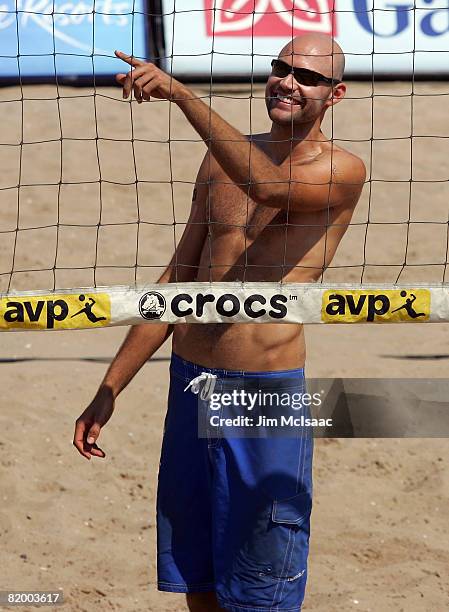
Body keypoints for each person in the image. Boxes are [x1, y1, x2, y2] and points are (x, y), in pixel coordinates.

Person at [73, 33, 366, 612]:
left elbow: (270, 186)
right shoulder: (219, 161)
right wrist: (109, 389)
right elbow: (177, 282)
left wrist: (182, 94)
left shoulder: (342, 169)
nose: (287, 81)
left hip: (262, 396)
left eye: (307, 76)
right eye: (281, 68)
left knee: (260, 587)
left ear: (335, 95)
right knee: (197, 577)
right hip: (189, 382)